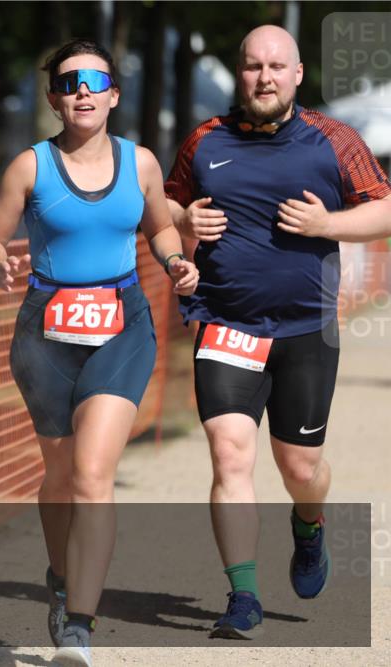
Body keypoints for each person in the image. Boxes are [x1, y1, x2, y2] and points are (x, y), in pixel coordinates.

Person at [164, 25, 391, 640]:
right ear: (240, 74)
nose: (264, 76)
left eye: (276, 66)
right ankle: (243, 595)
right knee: (230, 455)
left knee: (300, 467)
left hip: (305, 329)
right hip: (224, 323)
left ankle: (309, 524)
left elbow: (385, 206)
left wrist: (327, 224)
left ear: (296, 74)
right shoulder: (204, 142)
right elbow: (165, 210)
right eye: (252, 66)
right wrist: (182, 236)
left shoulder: (334, 140)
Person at [0, 39, 198, 664]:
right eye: (69, 81)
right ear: (54, 99)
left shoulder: (143, 164)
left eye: (95, 79)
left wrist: (176, 260)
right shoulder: (29, 167)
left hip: (121, 326)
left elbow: (160, 226)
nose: (83, 90)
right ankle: (61, 574)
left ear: (113, 95)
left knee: (94, 476)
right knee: (60, 475)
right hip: (44, 330)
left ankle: (78, 626)